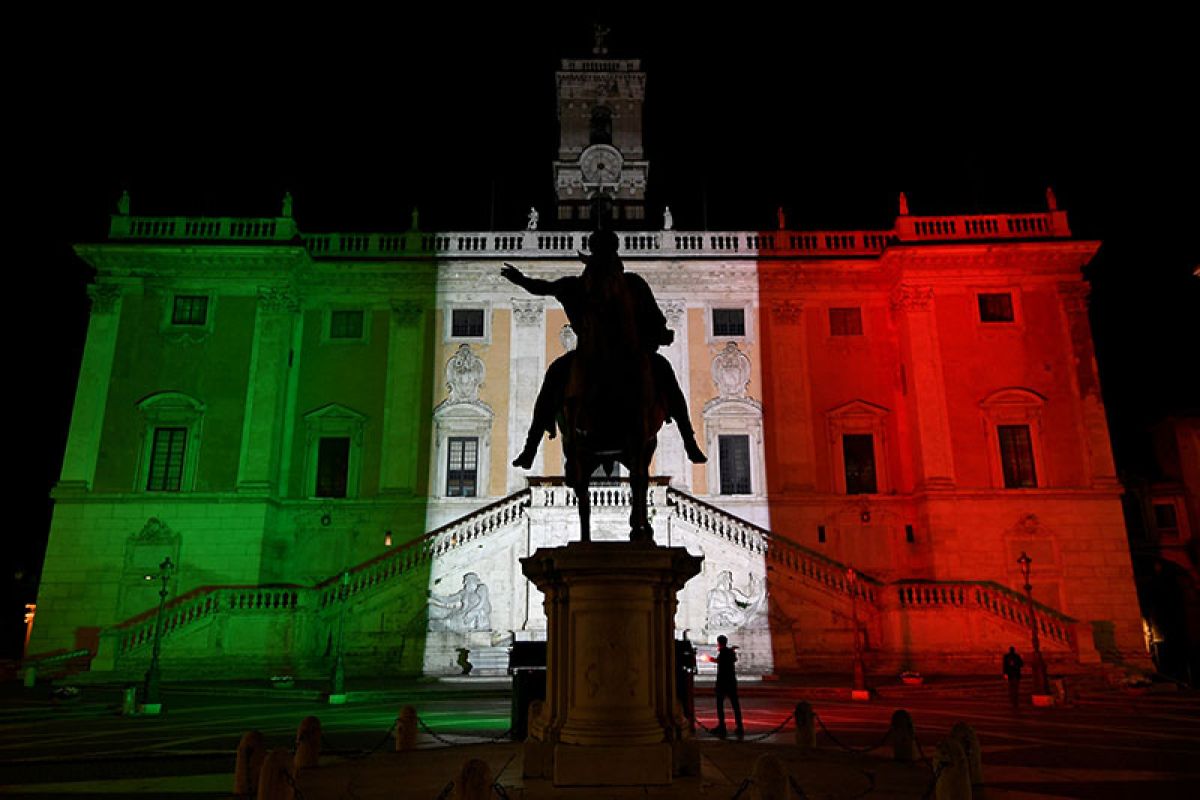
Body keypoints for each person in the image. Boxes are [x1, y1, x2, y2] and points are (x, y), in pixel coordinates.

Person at [502, 230, 706, 468]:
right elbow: (544, 287)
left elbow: (544, 287)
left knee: (556, 378)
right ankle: (530, 447)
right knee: (555, 377)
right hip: (598, 352)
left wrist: (661, 333)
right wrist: (521, 280)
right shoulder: (590, 285)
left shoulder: (628, 285)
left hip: (614, 352)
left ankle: (688, 440)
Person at [713, 634, 743, 739]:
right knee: (735, 705)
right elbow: (732, 660)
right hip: (731, 682)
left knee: (720, 705)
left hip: (723, 683)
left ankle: (722, 725)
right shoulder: (729, 652)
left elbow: (722, 665)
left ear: (719, 643)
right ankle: (739, 726)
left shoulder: (723, 653)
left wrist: (712, 660)